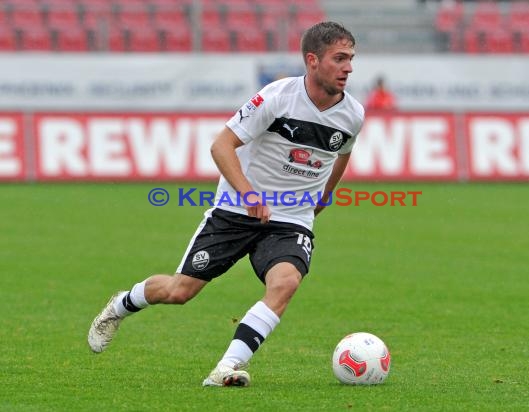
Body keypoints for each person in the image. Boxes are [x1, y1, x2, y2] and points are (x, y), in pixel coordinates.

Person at [87, 21, 364, 387]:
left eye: (351, 59)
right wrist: (249, 194)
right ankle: (120, 306)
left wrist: (323, 197)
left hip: (292, 218)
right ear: (312, 61)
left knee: (285, 283)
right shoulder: (277, 97)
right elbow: (221, 145)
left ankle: (226, 368)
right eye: (339, 58)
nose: (348, 68)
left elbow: (342, 152)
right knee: (179, 291)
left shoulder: (353, 114)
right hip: (236, 210)